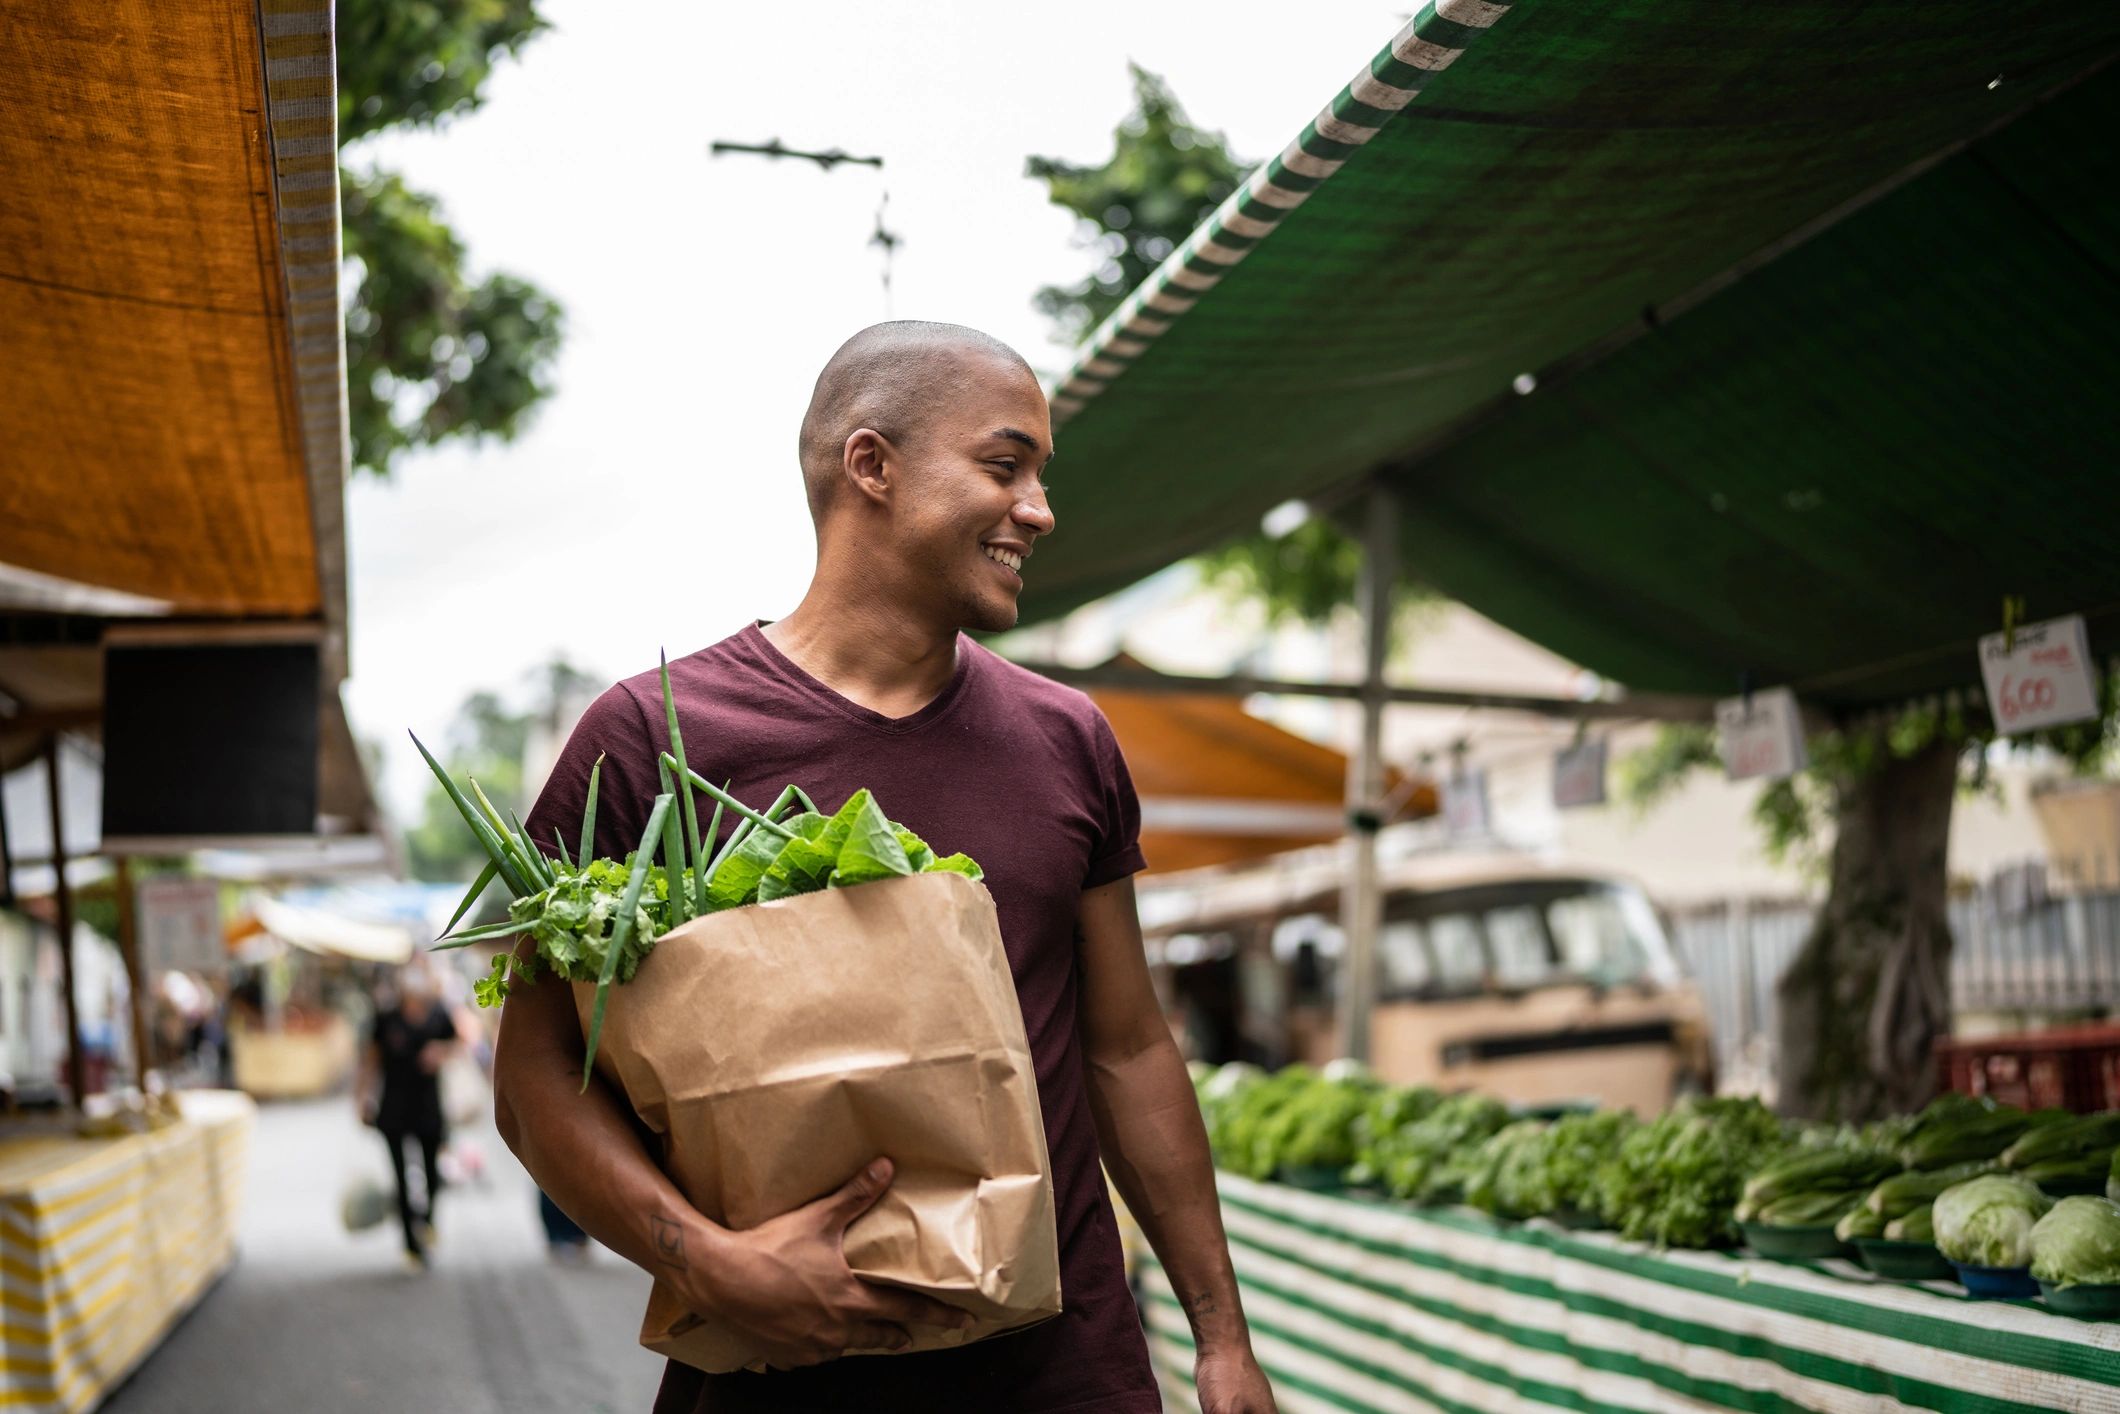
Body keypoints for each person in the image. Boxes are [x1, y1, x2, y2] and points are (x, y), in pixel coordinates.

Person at [499, 321, 1275, 1413]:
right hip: (775, 1375)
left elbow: (1127, 1047)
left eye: (1039, 476)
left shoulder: (1066, 740)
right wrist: (702, 1262)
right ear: (871, 465)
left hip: (1058, 1373)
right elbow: (534, 1080)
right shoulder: (654, 740)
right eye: (1005, 466)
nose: (1040, 509)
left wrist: (1220, 1336)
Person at [356, 963, 463, 1270]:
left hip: (428, 1106)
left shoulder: (440, 1014)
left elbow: (459, 1044)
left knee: (432, 1172)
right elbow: (371, 1059)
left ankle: (426, 1223)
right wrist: (363, 1097)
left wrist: (440, 1052)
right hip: (394, 1106)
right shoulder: (386, 1017)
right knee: (400, 1177)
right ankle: (410, 1243)